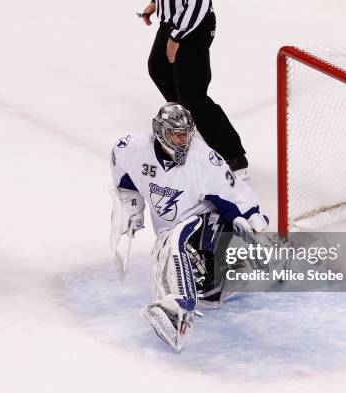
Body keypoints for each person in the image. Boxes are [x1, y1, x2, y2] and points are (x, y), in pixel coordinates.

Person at [110, 103, 268, 352]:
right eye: (176, 134)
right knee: (207, 290)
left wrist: (251, 219)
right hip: (170, 233)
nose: (183, 140)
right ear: (160, 132)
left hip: (206, 224)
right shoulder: (133, 148)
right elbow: (121, 168)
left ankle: (179, 306)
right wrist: (132, 204)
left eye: (186, 133)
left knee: (178, 238)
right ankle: (198, 291)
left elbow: (233, 194)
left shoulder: (204, 159)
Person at [139, 0, 250, 179]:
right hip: (172, 24)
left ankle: (234, 156)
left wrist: (176, 38)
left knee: (193, 95)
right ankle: (186, 118)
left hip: (194, 27)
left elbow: (199, 4)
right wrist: (155, 4)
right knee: (158, 67)